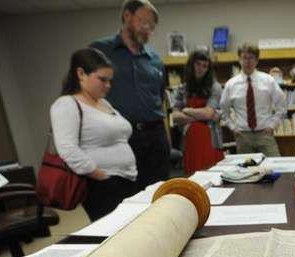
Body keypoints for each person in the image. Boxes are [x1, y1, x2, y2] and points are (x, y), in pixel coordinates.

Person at [90, 0, 170, 191]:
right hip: (120, 139)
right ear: (127, 16)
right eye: (144, 23)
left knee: (159, 195)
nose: (148, 30)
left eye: (152, 27)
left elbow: (159, 101)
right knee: (124, 198)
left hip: (155, 138)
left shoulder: (155, 58)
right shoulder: (100, 51)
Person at [50, 48, 137, 222]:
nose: (108, 86)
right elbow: (67, 149)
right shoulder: (66, 104)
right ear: (81, 73)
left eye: (110, 81)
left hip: (126, 179)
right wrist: (101, 176)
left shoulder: (103, 102)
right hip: (101, 184)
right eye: (102, 80)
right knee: (115, 235)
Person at [220, 43, 287, 157]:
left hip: (265, 134)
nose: (248, 61)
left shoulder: (268, 81)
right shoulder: (231, 85)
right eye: (244, 58)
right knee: (246, 172)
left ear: (256, 60)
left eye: (251, 58)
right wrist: (233, 127)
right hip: (243, 136)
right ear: (239, 60)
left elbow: (282, 106)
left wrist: (272, 125)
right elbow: (223, 110)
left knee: (276, 168)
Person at [171, 50, 223, 175]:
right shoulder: (182, 89)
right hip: (189, 143)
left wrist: (187, 110)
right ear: (191, 65)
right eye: (198, 64)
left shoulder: (214, 87)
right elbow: (175, 117)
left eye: (205, 66)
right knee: (193, 180)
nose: (201, 68)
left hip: (211, 141)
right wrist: (202, 115)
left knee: (213, 178)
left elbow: (208, 114)